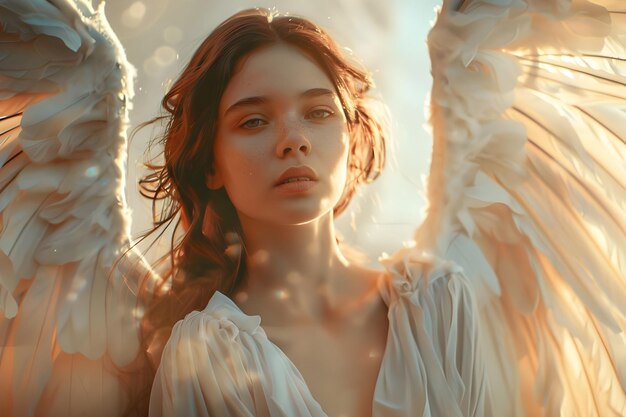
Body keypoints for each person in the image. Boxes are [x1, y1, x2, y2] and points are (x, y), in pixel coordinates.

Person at [0, 1, 624, 417]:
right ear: (210, 162)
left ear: (350, 139)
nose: (292, 138)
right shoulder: (202, 351)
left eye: (318, 111)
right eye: (253, 120)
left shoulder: (438, 303)